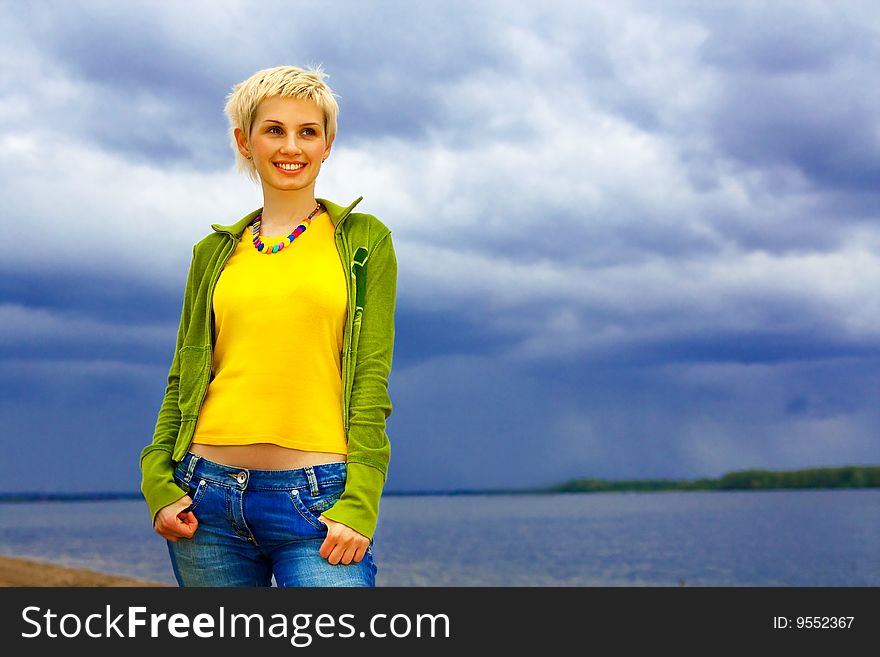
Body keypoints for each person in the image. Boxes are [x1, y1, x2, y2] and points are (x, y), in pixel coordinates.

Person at [138, 65, 397, 587]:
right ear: (245, 141)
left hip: (317, 501)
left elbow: (371, 381)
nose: (292, 146)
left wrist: (360, 503)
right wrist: (158, 484)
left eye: (308, 131)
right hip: (204, 499)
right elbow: (182, 378)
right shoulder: (212, 254)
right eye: (274, 129)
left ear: (328, 144)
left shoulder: (366, 243)